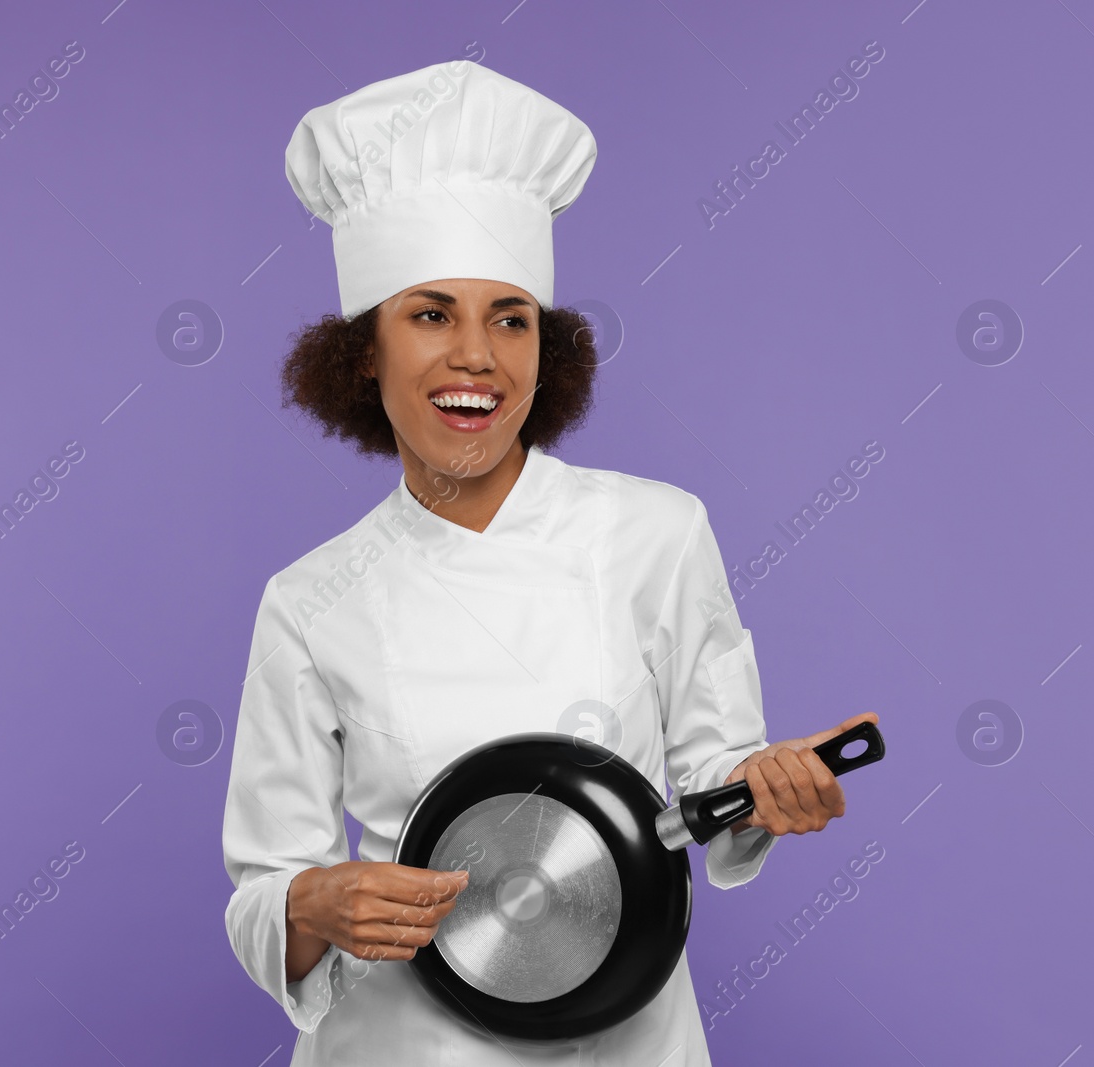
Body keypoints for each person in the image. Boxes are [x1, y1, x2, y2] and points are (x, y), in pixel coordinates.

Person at [221, 59, 878, 1066]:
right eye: (431, 313)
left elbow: (710, 771)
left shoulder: (655, 532)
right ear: (366, 352)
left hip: (621, 1029)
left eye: (511, 317)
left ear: (548, 344)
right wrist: (314, 901)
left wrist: (767, 781)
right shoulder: (311, 600)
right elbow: (268, 886)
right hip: (401, 1043)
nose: (477, 355)